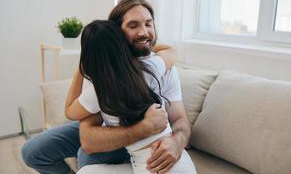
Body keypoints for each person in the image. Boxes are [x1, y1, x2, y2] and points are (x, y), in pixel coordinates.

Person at [21, 0, 192, 174]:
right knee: (32, 151)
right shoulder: (102, 71)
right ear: (116, 33)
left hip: (139, 142)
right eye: (133, 25)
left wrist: (177, 142)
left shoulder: (160, 67)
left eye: (148, 24)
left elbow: (179, 119)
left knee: (86, 157)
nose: (144, 32)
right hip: (110, 129)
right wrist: (143, 128)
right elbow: (88, 138)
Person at [65, 20, 196, 174]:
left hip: (151, 168)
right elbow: (169, 50)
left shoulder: (98, 91)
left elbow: (69, 111)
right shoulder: (149, 69)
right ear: (123, 44)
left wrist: (82, 65)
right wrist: (132, 49)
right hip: (182, 165)